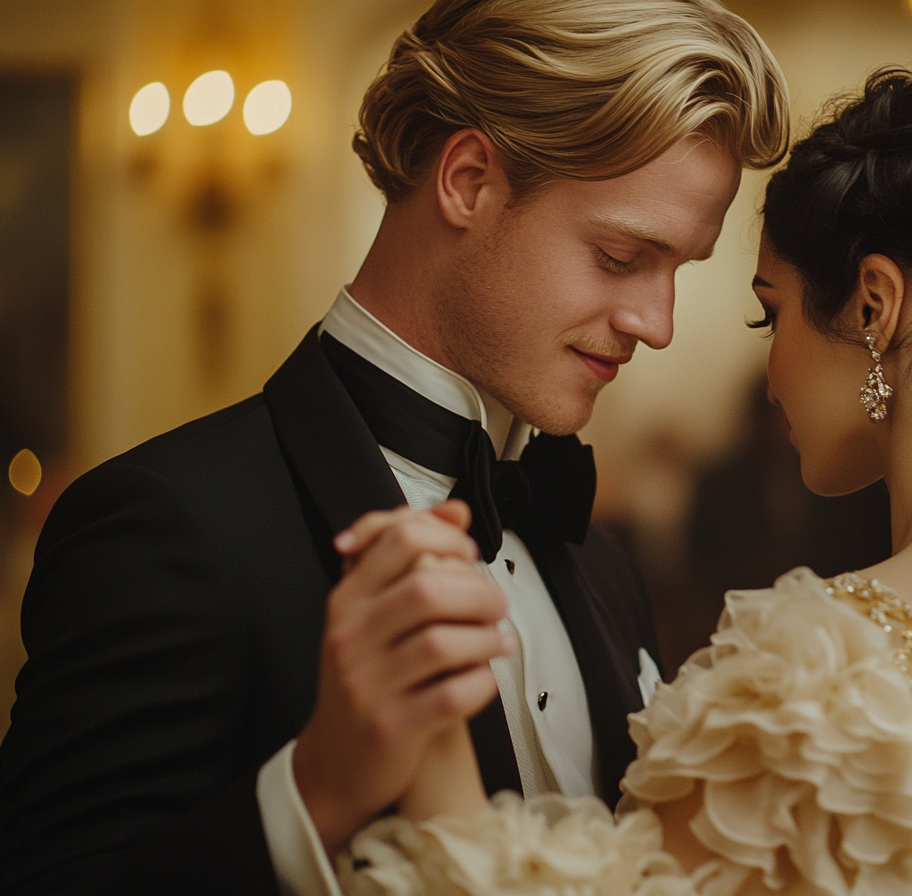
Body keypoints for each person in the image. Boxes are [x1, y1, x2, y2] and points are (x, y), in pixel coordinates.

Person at [337, 62, 912, 896]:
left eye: (767, 315)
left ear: (874, 305)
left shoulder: (825, 677)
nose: (771, 370)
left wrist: (435, 755)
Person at [0, 2, 789, 894]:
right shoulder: (163, 525)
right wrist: (317, 787)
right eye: (619, 256)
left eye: (678, 270)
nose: (659, 324)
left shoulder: (601, 566)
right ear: (465, 180)